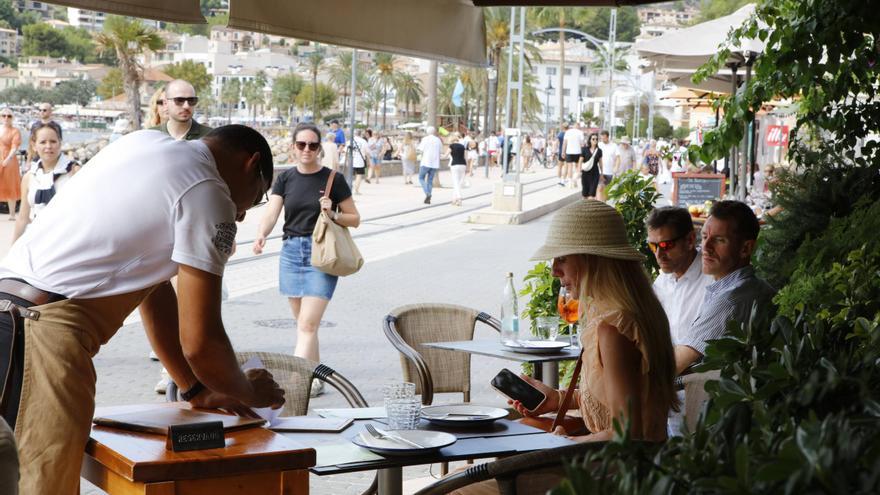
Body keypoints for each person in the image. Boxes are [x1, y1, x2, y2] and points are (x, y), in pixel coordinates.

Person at [0, 125, 286, 494]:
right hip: (42, 336)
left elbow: (153, 293)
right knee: (42, 485)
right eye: (257, 197)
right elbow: (202, 340)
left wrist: (195, 387)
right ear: (252, 164)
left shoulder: (143, 143)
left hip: (10, 310)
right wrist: (249, 390)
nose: (244, 214)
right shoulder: (210, 192)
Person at [517, 199, 678, 442]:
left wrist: (564, 443)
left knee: (484, 470)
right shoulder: (621, 313)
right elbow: (615, 398)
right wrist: (557, 399)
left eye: (561, 258)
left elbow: (626, 433)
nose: (553, 271)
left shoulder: (615, 327)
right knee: (521, 429)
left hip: (614, 474)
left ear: (591, 259)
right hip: (630, 466)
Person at [253, 122, 360, 397]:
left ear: (319, 149)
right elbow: (273, 211)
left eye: (313, 145)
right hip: (290, 253)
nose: (307, 150)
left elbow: (355, 219)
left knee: (307, 325)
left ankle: (295, 383)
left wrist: (333, 213)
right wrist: (261, 234)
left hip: (321, 255)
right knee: (304, 323)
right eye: (301, 144)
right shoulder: (285, 178)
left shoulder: (333, 179)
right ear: (293, 148)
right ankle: (317, 377)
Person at [677, 200, 776, 375]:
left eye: (719, 240)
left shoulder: (730, 300)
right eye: (705, 237)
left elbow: (675, 364)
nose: (705, 248)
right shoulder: (755, 286)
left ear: (745, 248)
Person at [647, 207, 713, 435]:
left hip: (700, 398)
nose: (658, 254)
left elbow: (690, 352)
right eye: (653, 246)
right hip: (664, 395)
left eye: (666, 245)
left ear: (689, 240)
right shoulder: (663, 279)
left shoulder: (711, 281)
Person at [12, 123, 80, 242]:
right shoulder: (29, 177)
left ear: (60, 142)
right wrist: (13, 250)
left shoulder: (74, 172)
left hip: (66, 240)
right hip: (37, 240)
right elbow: (23, 218)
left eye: (53, 141)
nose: (48, 146)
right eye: (43, 142)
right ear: (34, 145)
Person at [0, 108, 21, 221]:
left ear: (12, 118)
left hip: (9, 159)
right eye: (3, 115)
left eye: (9, 116)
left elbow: (15, 146)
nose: (6, 118)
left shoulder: (15, 131)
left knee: (10, 184)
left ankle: (12, 214)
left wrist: (8, 158)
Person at [418, 126, 442, 204]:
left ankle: (428, 193)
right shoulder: (438, 140)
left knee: (421, 178)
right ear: (434, 132)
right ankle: (428, 198)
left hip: (425, 162)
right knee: (430, 180)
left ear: (427, 132)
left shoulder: (425, 139)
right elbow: (441, 151)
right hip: (435, 163)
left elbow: (420, 150)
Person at [578, 132, 602, 199]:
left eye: (596, 139)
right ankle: (584, 208)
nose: (595, 140)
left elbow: (601, 163)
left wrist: (602, 173)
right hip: (585, 173)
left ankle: (590, 208)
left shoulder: (599, 151)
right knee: (585, 194)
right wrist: (579, 171)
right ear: (590, 140)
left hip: (595, 173)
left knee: (592, 194)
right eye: (593, 139)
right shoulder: (584, 149)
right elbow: (580, 161)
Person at [447, 133, 467, 206]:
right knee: (459, 183)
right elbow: (465, 157)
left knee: (455, 182)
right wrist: (467, 167)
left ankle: (459, 197)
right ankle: (454, 199)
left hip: (455, 165)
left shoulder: (451, 146)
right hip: (463, 164)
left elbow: (445, 155)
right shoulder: (462, 146)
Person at [562, 123, 584, 188]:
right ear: (578, 126)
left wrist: (563, 152)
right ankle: (575, 180)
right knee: (578, 167)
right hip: (578, 152)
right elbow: (582, 144)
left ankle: (570, 182)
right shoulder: (580, 132)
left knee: (570, 167)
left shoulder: (568, 132)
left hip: (569, 152)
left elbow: (564, 143)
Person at [597, 130, 617, 201]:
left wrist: (616, 167)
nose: (602, 140)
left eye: (604, 138)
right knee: (600, 188)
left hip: (609, 172)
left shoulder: (614, 146)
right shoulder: (599, 145)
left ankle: (604, 204)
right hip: (600, 171)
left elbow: (618, 158)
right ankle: (599, 204)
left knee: (606, 190)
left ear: (608, 137)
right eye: (601, 138)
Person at [350, 130, 369, 194]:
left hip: (351, 161)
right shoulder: (363, 141)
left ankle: (349, 190)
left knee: (350, 176)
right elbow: (367, 152)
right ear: (361, 134)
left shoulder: (350, 141)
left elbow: (345, 151)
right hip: (360, 161)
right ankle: (356, 190)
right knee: (359, 175)